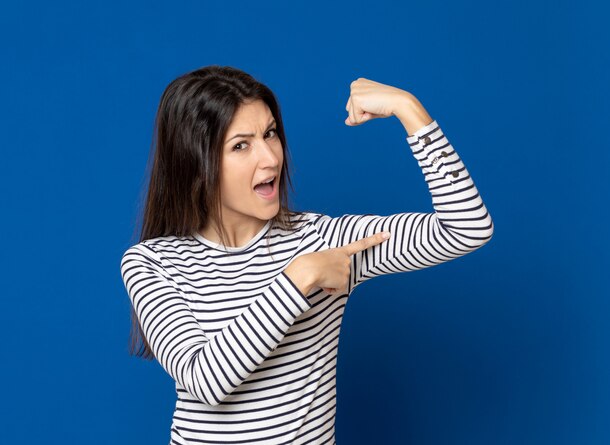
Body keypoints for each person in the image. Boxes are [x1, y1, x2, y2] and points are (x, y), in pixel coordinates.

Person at [120, 65, 494, 445]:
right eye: (241, 145)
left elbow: (467, 227)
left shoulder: (323, 240)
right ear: (195, 163)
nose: (270, 159)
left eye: (270, 134)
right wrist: (299, 278)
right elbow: (207, 381)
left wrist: (408, 108)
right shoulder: (151, 263)